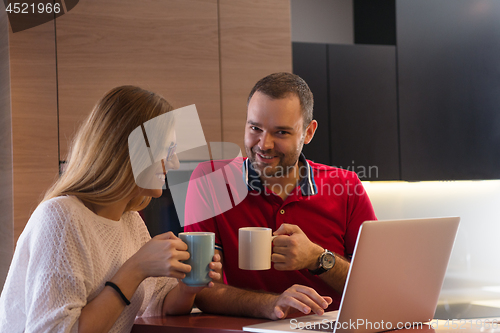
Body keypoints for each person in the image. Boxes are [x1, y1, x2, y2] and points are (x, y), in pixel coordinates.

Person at [0, 86, 221, 333]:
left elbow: (158, 305)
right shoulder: (61, 218)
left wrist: (187, 288)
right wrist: (136, 268)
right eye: (168, 150)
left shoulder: (131, 222)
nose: (174, 162)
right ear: (131, 151)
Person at [184, 72, 377, 320]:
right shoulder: (210, 181)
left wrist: (318, 258)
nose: (264, 144)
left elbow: (375, 286)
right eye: (255, 128)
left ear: (308, 132)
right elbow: (201, 289)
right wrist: (271, 305)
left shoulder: (347, 186)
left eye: (281, 133)